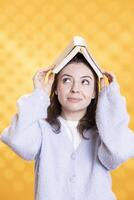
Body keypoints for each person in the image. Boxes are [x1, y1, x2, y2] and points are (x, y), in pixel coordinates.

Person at [1, 53, 134, 200]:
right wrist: (39, 94)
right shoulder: (42, 129)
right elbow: (19, 142)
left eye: (85, 82)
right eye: (66, 80)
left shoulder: (104, 134)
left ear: (95, 92)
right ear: (56, 88)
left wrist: (111, 97)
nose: (75, 89)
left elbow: (117, 153)